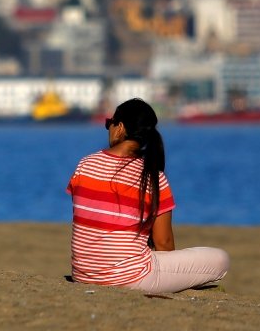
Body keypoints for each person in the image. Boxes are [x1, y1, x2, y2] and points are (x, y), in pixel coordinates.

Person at [66, 98, 229, 294]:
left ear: (120, 128)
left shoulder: (85, 164)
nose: (108, 128)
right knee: (221, 259)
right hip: (129, 278)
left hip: (82, 274)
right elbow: (163, 243)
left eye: (109, 123)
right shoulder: (153, 178)